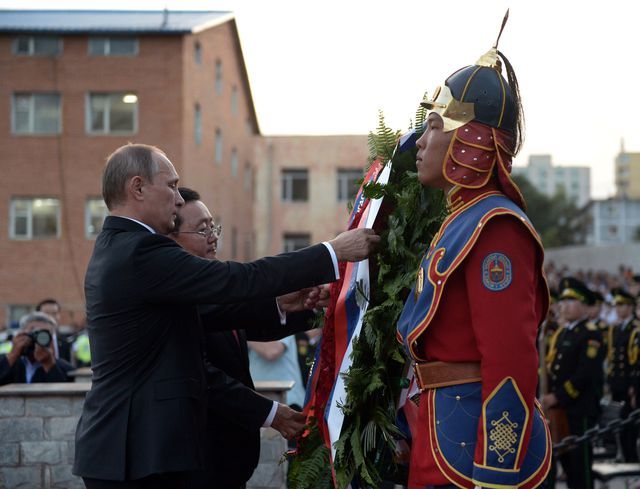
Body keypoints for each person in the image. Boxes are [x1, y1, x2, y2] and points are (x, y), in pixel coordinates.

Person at [72, 143, 378, 489]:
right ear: (138, 187)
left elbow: (213, 314)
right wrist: (331, 252)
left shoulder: (123, 247)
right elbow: (234, 281)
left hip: (141, 450)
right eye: (171, 185)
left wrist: (283, 303)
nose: (177, 198)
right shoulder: (139, 251)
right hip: (136, 454)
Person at [395, 20, 552, 488]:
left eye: (434, 126)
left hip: (469, 454)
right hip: (441, 432)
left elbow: (510, 361)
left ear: (473, 138)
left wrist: (496, 475)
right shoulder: (462, 219)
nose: (419, 142)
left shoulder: (496, 228)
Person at [170, 187, 323, 489]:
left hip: (229, 463)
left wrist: (313, 305)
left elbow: (254, 319)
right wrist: (271, 413)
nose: (213, 236)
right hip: (196, 461)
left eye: (214, 227)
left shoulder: (211, 294)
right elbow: (202, 375)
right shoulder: (176, 297)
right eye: (202, 230)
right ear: (170, 239)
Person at [543, 278, 604, 489]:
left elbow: (585, 374)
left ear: (584, 305)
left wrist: (557, 396)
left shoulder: (590, 333)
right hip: (560, 411)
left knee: (580, 470)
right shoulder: (564, 333)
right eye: (563, 301)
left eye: (571, 301)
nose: (564, 305)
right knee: (566, 465)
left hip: (579, 410)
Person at [607, 287, 640, 462]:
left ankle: (631, 460)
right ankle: (625, 457)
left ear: (629, 307)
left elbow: (633, 362)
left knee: (630, 428)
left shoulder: (634, 329)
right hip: (618, 384)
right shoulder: (617, 329)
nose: (618, 309)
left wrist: (633, 387)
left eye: (622, 305)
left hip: (629, 386)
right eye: (616, 305)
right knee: (621, 424)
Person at [0, 311, 74, 385]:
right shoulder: (8, 361)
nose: (37, 339)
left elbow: (63, 393)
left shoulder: (67, 369)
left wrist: (49, 364)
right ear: (22, 333)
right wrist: (13, 354)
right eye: (33, 332)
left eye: (44, 334)